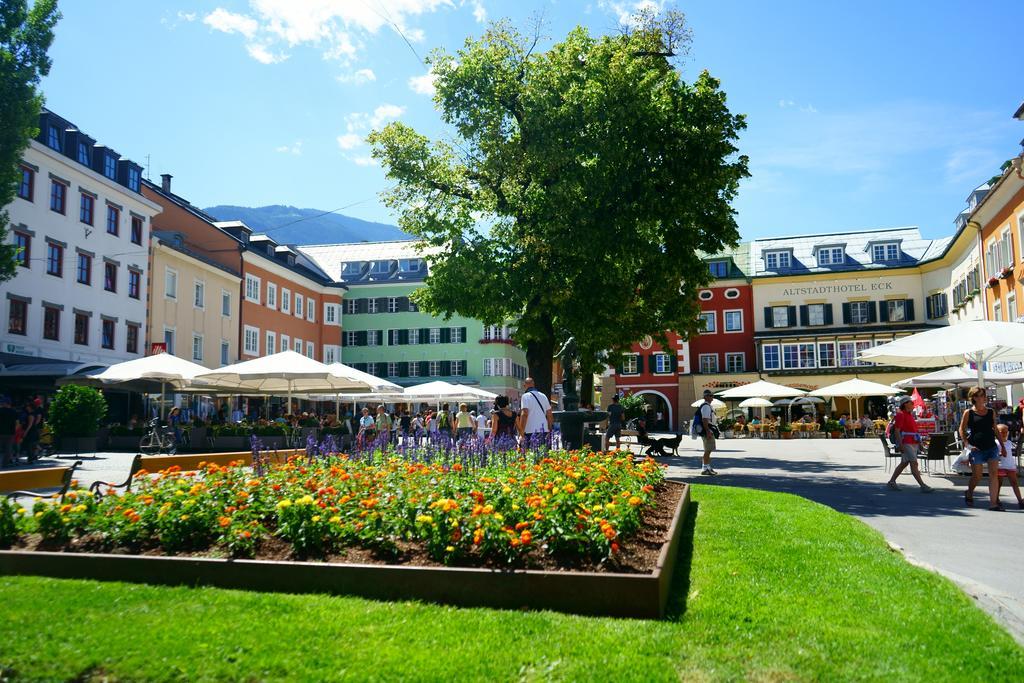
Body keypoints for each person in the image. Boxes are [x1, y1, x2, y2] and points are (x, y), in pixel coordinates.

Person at [960, 386, 1002, 510]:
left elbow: (995, 429)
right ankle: (969, 492)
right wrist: (967, 444)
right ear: (973, 397)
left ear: (985, 397)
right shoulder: (969, 412)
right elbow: (961, 429)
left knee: (993, 474)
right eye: (977, 395)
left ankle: (993, 503)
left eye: (982, 395)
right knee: (977, 476)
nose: (980, 398)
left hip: (991, 447)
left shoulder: (990, 412)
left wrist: (1002, 446)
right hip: (976, 448)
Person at [886, 396, 933, 493]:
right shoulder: (900, 415)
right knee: (914, 463)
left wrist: (919, 443)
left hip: (913, 442)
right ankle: (923, 485)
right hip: (906, 442)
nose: (913, 404)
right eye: (911, 402)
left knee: (904, 463)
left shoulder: (909, 415)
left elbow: (914, 431)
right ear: (905, 404)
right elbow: (897, 431)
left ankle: (891, 481)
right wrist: (900, 444)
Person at [994, 423, 1023, 509]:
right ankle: (996, 499)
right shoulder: (995, 443)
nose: (1004, 434)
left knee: (1014, 483)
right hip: (1000, 466)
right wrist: (999, 453)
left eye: (1006, 432)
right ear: (997, 433)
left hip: (1010, 466)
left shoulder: (1009, 442)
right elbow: (993, 454)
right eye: (1002, 432)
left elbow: (1014, 451)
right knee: (998, 484)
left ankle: (1020, 501)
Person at [518, 377, 553, 444]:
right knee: (543, 453)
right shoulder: (543, 396)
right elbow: (549, 414)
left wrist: (521, 433)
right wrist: (549, 429)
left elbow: (524, 414)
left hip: (529, 431)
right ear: (533, 384)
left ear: (524, 386)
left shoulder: (525, 396)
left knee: (530, 453)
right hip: (544, 430)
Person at [697, 389, 718, 475]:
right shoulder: (706, 406)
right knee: (708, 450)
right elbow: (705, 419)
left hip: (708, 429)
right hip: (707, 430)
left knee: (709, 450)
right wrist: (708, 431)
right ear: (705, 396)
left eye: (712, 395)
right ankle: (704, 468)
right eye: (710, 396)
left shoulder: (707, 406)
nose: (712, 397)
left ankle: (708, 467)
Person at [0, 396, 17, 467]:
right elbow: (17, 423)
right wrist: (14, 431)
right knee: (8, 449)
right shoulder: (14, 412)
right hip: (10, 433)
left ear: (5, 403)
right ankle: (5, 463)